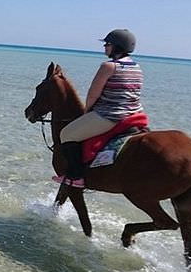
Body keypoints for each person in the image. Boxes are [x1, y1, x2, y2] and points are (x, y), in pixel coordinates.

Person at [54, 29, 143, 188]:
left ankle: (76, 177)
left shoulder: (109, 66)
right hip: (134, 114)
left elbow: (93, 95)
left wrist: (86, 112)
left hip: (111, 116)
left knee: (66, 134)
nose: (105, 47)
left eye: (108, 44)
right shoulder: (136, 66)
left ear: (117, 46)